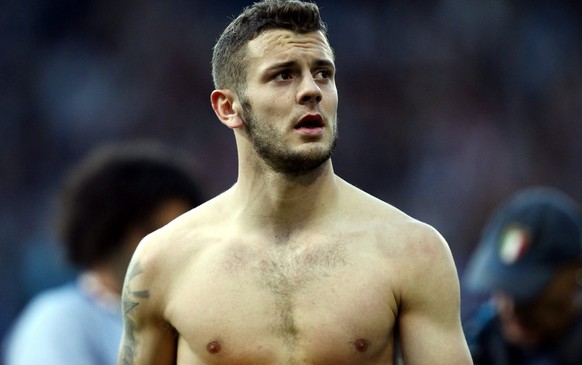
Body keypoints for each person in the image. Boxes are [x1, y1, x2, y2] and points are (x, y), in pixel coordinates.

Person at [117, 1, 472, 364]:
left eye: (323, 74)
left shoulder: (412, 252)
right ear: (228, 107)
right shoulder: (163, 261)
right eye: (284, 75)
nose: (311, 90)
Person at [3, 141, 204, 365]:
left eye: (179, 231)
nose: (167, 247)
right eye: (150, 231)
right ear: (106, 235)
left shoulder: (196, 321)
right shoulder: (58, 321)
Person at [463, 187, 582, 365]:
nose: (511, 308)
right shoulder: (480, 344)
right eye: (502, 288)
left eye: (528, 289)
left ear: (576, 273)